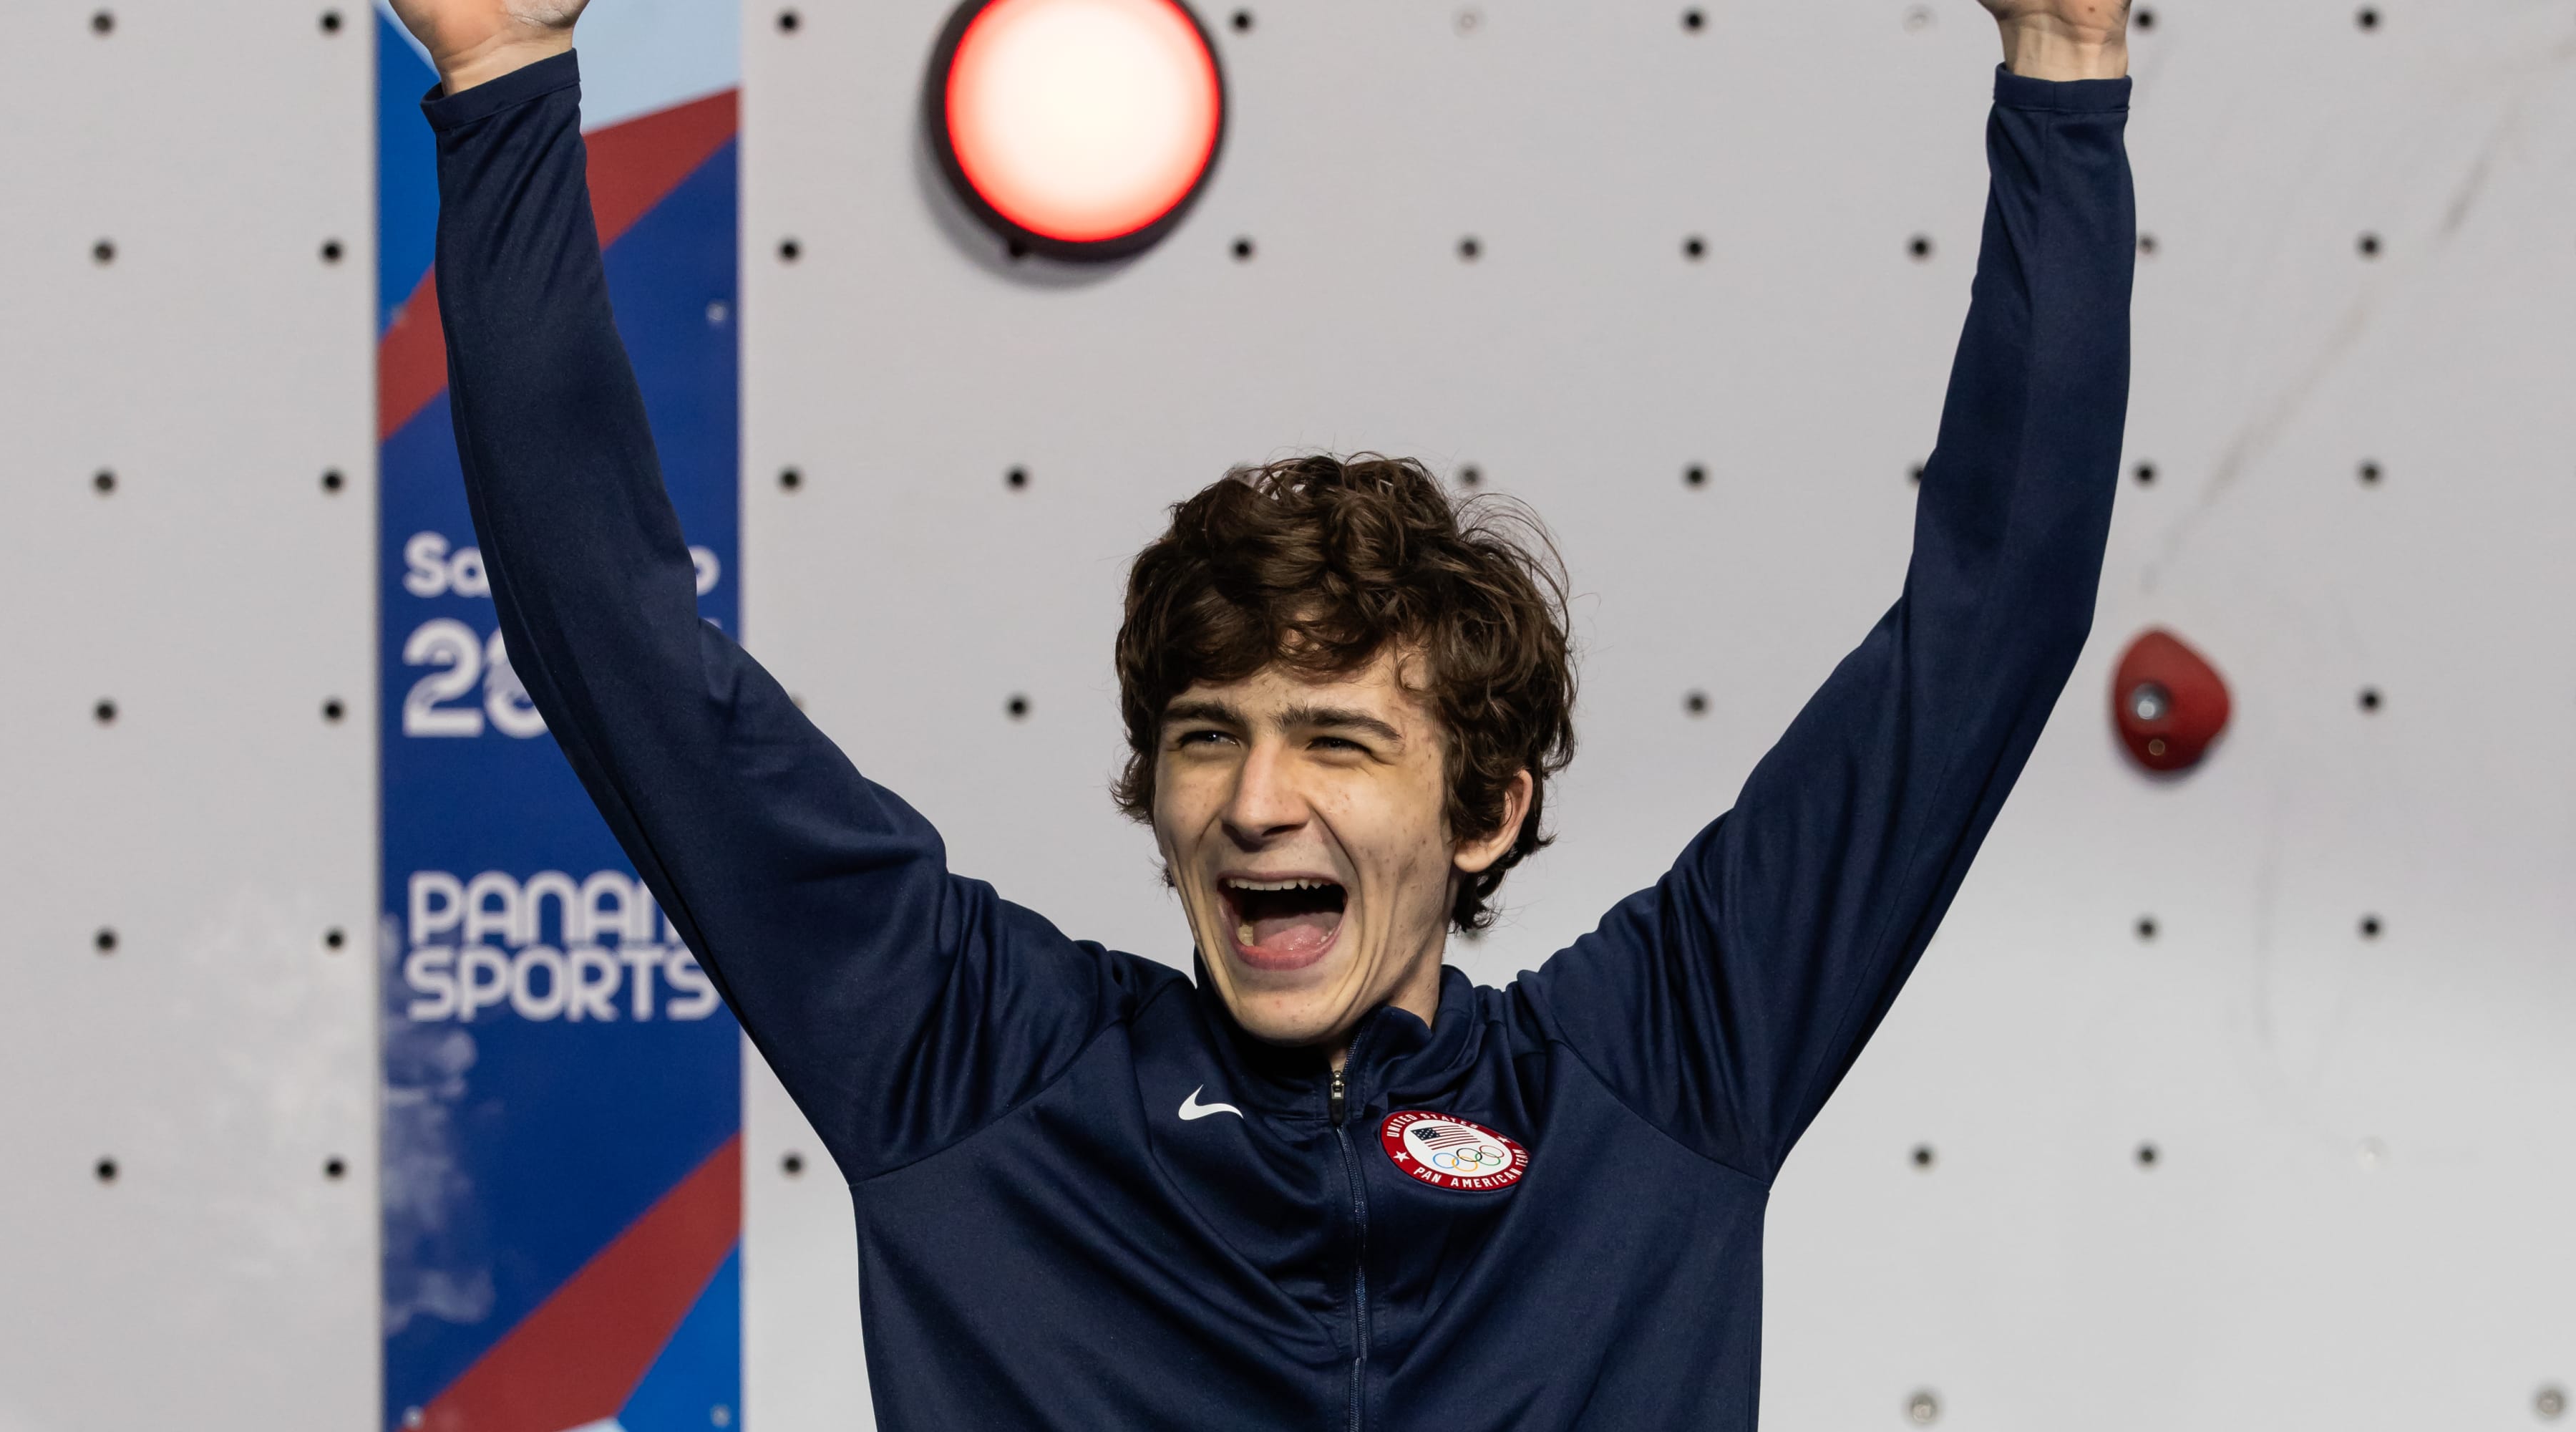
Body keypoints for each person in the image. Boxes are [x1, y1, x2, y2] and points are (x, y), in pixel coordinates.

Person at [392, 0, 2134, 1424]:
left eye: (1341, 737)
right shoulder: (973, 1069)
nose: (1255, 799)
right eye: (1208, 734)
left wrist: (2064, 70)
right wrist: (505, 80)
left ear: (1488, 810)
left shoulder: (1660, 1075)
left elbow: (1987, 626)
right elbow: (621, 646)